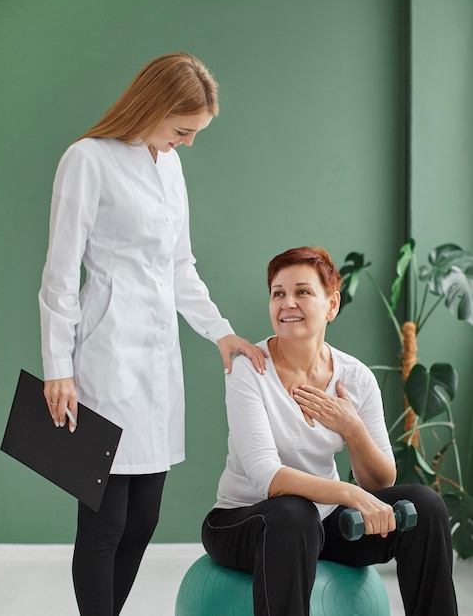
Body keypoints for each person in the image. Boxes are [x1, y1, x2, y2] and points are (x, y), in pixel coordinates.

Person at [38, 52, 267, 616]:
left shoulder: (169, 165)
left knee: (144, 517)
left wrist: (221, 333)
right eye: (183, 130)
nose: (188, 142)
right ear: (155, 106)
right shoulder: (87, 160)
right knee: (105, 519)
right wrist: (57, 367)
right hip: (103, 357)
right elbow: (60, 275)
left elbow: (179, 265)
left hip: (158, 362)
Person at [202, 246, 458, 616]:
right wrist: (348, 493)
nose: (287, 303)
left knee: (427, 506)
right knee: (294, 514)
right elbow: (266, 477)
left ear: (331, 305)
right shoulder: (250, 368)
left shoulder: (355, 377)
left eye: (302, 292)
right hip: (243, 520)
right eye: (278, 293)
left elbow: (381, 481)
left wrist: (352, 429)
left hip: (321, 524)